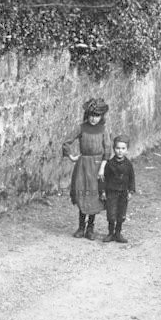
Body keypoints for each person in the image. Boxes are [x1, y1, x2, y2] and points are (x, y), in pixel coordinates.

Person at [62, 98, 110, 240]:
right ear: (87, 115)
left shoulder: (103, 130)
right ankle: (81, 227)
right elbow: (67, 141)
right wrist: (71, 156)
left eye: (97, 116)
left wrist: (102, 168)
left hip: (97, 166)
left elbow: (107, 149)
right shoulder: (81, 128)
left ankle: (90, 228)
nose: (93, 119)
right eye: (91, 115)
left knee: (94, 196)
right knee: (83, 194)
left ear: (101, 116)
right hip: (83, 165)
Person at [102, 135, 135, 244]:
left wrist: (131, 191)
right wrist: (103, 191)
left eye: (123, 148)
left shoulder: (128, 164)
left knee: (121, 214)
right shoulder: (109, 164)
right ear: (114, 149)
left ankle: (118, 233)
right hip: (111, 192)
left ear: (127, 150)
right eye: (118, 148)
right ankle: (110, 233)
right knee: (111, 214)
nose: (120, 151)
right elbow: (104, 178)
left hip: (123, 193)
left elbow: (131, 178)